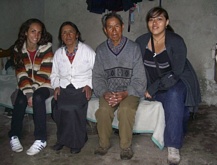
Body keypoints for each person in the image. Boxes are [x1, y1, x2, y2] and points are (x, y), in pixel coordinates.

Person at [135, 7, 201, 164]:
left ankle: (173, 145)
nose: (155, 23)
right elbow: (136, 67)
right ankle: (177, 128)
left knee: (174, 96)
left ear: (167, 22)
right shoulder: (141, 42)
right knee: (181, 112)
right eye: (151, 19)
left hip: (177, 82)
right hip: (153, 85)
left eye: (159, 19)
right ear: (147, 23)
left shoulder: (176, 41)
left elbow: (175, 73)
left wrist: (152, 88)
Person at [92, 12, 147, 160]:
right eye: (110, 27)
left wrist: (125, 93)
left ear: (122, 27)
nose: (114, 31)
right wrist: (104, 92)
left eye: (117, 26)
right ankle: (103, 144)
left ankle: (125, 147)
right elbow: (98, 77)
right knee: (103, 110)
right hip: (109, 92)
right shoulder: (101, 50)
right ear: (105, 30)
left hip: (129, 92)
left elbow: (140, 78)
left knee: (125, 109)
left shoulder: (134, 48)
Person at [8, 18, 54, 156]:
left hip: (45, 83)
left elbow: (44, 73)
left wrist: (32, 93)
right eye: (33, 31)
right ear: (26, 33)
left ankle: (41, 139)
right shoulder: (18, 50)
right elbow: (21, 73)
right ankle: (13, 135)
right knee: (20, 100)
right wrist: (28, 93)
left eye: (39, 32)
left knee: (38, 98)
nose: (36, 35)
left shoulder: (47, 47)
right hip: (26, 84)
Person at [50, 21, 96, 154]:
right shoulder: (58, 53)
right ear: (61, 36)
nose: (68, 35)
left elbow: (97, 72)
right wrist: (56, 86)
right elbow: (54, 74)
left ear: (77, 35)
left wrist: (89, 85)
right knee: (58, 107)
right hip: (64, 87)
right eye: (64, 32)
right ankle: (62, 140)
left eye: (71, 32)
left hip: (81, 87)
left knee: (73, 108)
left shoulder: (87, 51)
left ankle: (77, 141)